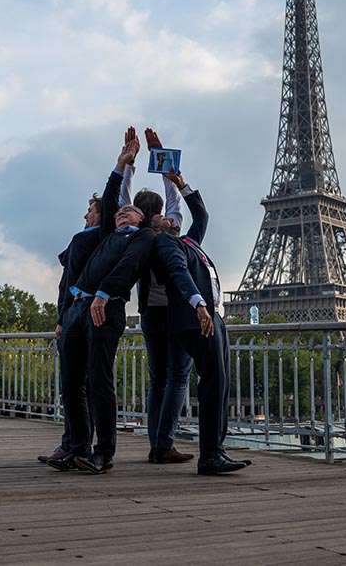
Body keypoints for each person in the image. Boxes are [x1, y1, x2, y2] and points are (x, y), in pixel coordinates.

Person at [48, 133, 156, 475]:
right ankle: (75, 447)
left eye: (132, 210)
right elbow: (111, 197)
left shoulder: (144, 238)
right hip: (79, 308)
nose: (124, 212)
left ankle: (103, 452)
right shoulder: (108, 234)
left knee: (98, 380)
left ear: (144, 219)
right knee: (71, 384)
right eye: (121, 211)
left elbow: (128, 269)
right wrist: (121, 163)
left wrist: (105, 293)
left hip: (104, 308)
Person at [153, 186, 251, 475]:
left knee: (219, 382)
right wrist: (198, 303)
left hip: (211, 317)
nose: (170, 218)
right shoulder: (166, 245)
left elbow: (201, 215)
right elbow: (178, 271)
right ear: (156, 229)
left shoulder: (187, 242)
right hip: (197, 319)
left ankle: (215, 450)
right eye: (162, 218)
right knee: (213, 383)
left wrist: (180, 183)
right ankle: (210, 454)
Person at [125, 129, 207, 465]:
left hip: (150, 315)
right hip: (177, 313)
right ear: (158, 217)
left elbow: (122, 200)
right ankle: (164, 443)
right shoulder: (171, 237)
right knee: (178, 378)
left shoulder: (135, 236)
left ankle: (157, 442)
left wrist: (128, 164)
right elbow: (182, 205)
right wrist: (164, 164)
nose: (169, 217)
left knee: (158, 378)